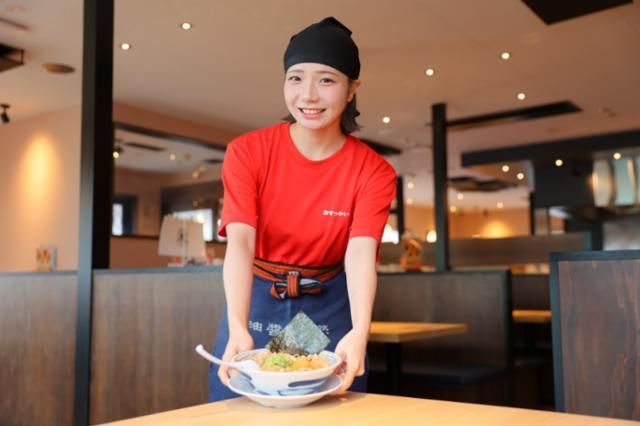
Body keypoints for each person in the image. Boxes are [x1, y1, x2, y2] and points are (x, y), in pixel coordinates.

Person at [209, 16, 397, 401]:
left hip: (323, 309)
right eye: (295, 78)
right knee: (238, 411)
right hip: (257, 300)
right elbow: (240, 243)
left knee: (324, 412)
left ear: (352, 89)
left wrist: (360, 331)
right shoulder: (247, 152)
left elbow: (360, 254)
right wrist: (237, 324)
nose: (308, 95)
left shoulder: (373, 171)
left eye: (326, 80)